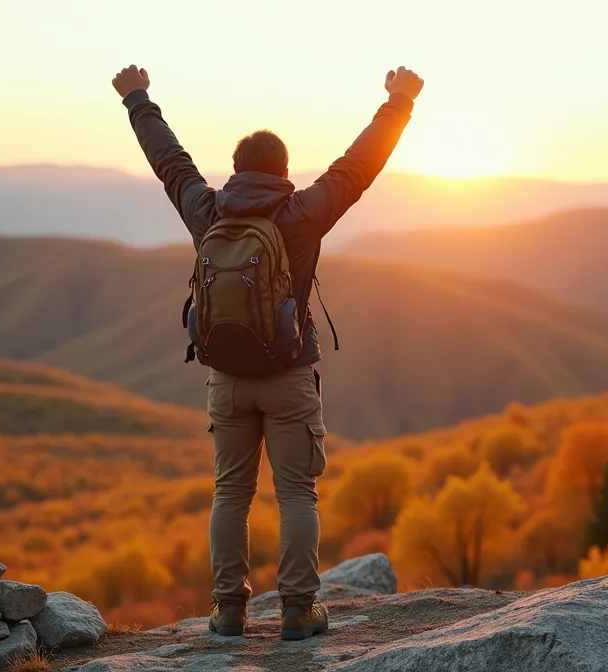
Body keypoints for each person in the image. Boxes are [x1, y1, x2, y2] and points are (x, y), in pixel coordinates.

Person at [111, 63, 423, 640]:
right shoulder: (302, 213)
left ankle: (228, 609)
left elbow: (170, 162)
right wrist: (398, 102)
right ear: (283, 172)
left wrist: (137, 98)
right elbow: (360, 166)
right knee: (296, 493)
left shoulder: (207, 212)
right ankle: (299, 613)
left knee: (231, 492)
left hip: (225, 377)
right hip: (288, 375)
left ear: (235, 171)